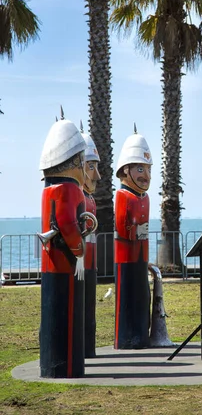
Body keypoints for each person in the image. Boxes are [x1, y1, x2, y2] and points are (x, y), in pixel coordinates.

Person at [39, 113, 90, 378]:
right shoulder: (69, 190)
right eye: (82, 163)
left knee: (54, 312)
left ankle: (56, 364)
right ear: (73, 162)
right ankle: (67, 367)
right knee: (68, 314)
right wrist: (79, 247)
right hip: (67, 264)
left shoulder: (49, 188)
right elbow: (68, 224)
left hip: (52, 264)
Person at [114, 125, 152, 349]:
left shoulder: (145, 197)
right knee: (127, 297)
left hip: (141, 254)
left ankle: (141, 334)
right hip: (126, 256)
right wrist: (135, 232)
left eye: (148, 169)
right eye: (139, 169)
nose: (146, 176)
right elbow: (121, 226)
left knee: (141, 297)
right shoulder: (122, 195)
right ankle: (127, 337)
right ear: (126, 170)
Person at [80, 123, 101, 358]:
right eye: (91, 167)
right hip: (79, 262)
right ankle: (82, 348)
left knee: (89, 307)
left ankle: (88, 348)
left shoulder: (89, 197)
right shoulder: (74, 194)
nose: (97, 175)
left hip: (90, 261)